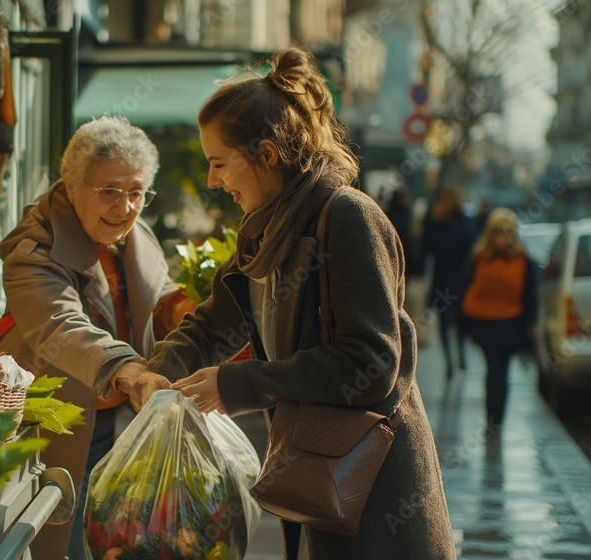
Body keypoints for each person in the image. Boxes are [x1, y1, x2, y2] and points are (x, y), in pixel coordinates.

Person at [141, 48, 455, 559]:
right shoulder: (266, 227)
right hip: (314, 480)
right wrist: (158, 375)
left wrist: (236, 384)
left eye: (220, 163)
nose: (212, 182)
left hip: (375, 502)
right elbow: (214, 324)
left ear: (266, 154)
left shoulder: (347, 218)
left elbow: (371, 362)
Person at [0, 115, 193, 559]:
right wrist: (127, 371)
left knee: (125, 541)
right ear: (71, 186)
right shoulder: (33, 249)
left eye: (136, 193)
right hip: (63, 420)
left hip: (124, 421)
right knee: (59, 539)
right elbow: (60, 325)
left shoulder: (130, 227)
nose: (126, 206)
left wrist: (185, 309)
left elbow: (152, 289)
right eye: (109, 191)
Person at [461, 208, 539, 431]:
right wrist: (462, 322)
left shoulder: (523, 260)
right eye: (498, 233)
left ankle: (497, 420)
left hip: (510, 324)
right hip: (484, 323)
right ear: (490, 234)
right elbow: (466, 287)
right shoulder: (479, 257)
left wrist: (530, 324)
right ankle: (493, 420)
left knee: (501, 373)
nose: (503, 239)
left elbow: (530, 295)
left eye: (507, 233)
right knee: (494, 370)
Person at [420, 185, 476, 379]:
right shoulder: (464, 223)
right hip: (461, 279)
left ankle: (449, 362)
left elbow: (426, 251)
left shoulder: (434, 223)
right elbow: (471, 252)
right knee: (459, 319)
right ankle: (461, 354)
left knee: (443, 322)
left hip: (441, 278)